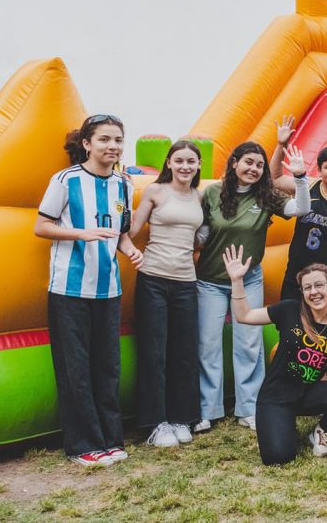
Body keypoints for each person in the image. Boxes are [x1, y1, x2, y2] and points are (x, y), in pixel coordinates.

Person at [34, 114, 142, 467]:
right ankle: (83, 445)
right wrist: (81, 233)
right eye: (104, 140)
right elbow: (42, 226)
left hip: (108, 291)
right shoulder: (65, 180)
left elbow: (121, 232)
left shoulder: (123, 184)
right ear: (86, 143)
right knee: (75, 369)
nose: (112, 147)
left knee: (107, 368)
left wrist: (130, 250)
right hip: (69, 290)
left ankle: (112, 440)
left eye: (118, 140)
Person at [194, 142, 313, 433]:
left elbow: (302, 208)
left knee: (248, 342)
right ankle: (208, 409)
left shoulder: (266, 196)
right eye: (248, 162)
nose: (253, 169)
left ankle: (248, 407)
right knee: (208, 344)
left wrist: (300, 177)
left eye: (259, 165)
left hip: (249, 280)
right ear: (233, 162)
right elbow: (198, 230)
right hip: (211, 279)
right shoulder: (211, 193)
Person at [221, 248, 327, 464]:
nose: (313, 291)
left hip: (308, 393)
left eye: (319, 285)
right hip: (276, 397)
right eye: (307, 287)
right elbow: (244, 315)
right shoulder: (290, 310)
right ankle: (281, 424)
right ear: (303, 292)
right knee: (279, 458)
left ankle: (322, 430)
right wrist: (237, 280)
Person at [128, 140, 204, 448]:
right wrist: (128, 248)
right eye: (180, 160)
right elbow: (131, 229)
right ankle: (154, 423)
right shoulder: (155, 192)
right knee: (154, 352)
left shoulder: (200, 196)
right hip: (153, 279)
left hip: (186, 281)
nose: (185, 166)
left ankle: (180, 417)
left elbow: (201, 235)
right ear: (169, 163)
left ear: (199, 166)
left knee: (183, 353)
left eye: (191, 161)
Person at [270, 118, 327, 307]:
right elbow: (276, 179)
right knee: (290, 328)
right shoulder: (309, 186)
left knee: (324, 333)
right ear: (319, 170)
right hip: (296, 275)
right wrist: (281, 145)